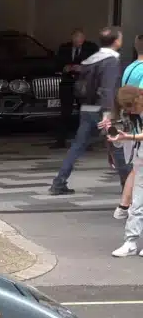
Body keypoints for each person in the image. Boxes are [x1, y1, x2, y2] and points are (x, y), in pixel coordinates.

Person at [49, 26, 123, 196]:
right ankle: (129, 188)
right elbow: (108, 88)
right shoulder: (110, 60)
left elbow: (82, 86)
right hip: (102, 111)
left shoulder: (90, 60)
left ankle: (59, 182)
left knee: (77, 146)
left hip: (87, 108)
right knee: (117, 144)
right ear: (116, 41)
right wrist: (107, 113)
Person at [107, 86, 143, 256]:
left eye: (132, 106)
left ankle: (132, 242)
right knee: (137, 203)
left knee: (138, 202)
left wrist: (128, 137)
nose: (132, 110)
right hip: (141, 159)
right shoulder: (131, 114)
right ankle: (131, 242)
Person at [113, 35, 143, 219]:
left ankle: (123, 206)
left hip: (131, 126)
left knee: (136, 167)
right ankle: (127, 208)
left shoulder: (130, 68)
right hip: (138, 128)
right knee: (138, 168)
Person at [53, 29, 99, 149]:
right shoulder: (64, 48)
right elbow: (57, 63)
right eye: (76, 38)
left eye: (81, 39)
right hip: (68, 83)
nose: (79, 41)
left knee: (84, 112)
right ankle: (61, 140)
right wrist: (65, 67)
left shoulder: (91, 48)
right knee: (65, 112)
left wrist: (83, 68)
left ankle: (85, 141)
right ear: (72, 38)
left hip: (83, 83)